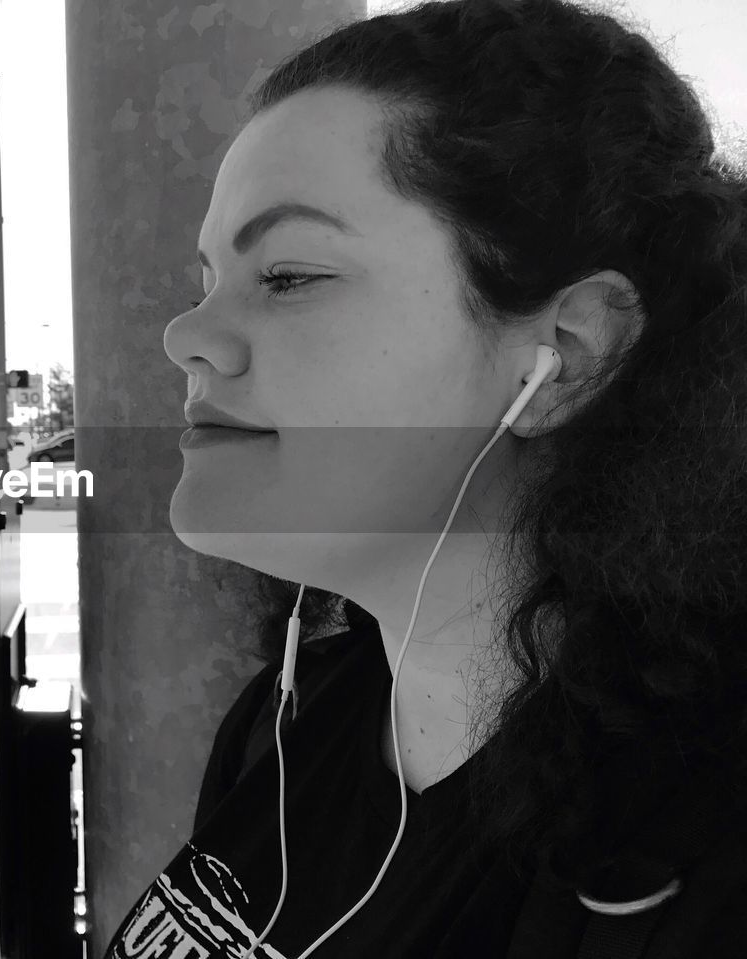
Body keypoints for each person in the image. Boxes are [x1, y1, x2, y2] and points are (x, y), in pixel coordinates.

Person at [102, 0, 747, 956]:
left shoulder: (695, 863)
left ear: (569, 351)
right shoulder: (277, 731)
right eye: (206, 284)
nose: (185, 337)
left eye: (287, 275)